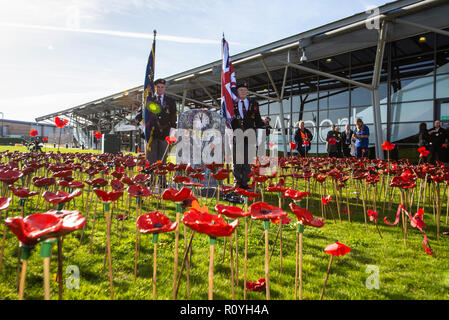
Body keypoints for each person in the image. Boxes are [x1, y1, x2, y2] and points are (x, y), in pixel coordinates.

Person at [231, 82, 264, 190]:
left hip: (250, 136)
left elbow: (258, 119)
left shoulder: (253, 103)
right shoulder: (231, 104)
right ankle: (237, 182)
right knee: (236, 161)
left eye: (245, 90)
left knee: (247, 161)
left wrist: (263, 128)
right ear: (237, 92)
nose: (244, 92)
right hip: (237, 135)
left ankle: (245, 183)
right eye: (241, 90)